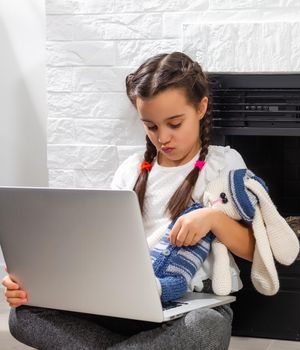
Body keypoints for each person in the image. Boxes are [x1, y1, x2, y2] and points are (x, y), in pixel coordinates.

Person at [3, 51, 255, 350]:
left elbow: (254, 251)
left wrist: (213, 219)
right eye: (150, 126)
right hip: (126, 303)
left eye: (174, 124)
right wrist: (39, 281)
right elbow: (102, 248)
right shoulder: (131, 171)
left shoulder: (224, 163)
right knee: (23, 317)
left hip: (191, 305)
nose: (162, 138)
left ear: (201, 108)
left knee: (205, 330)